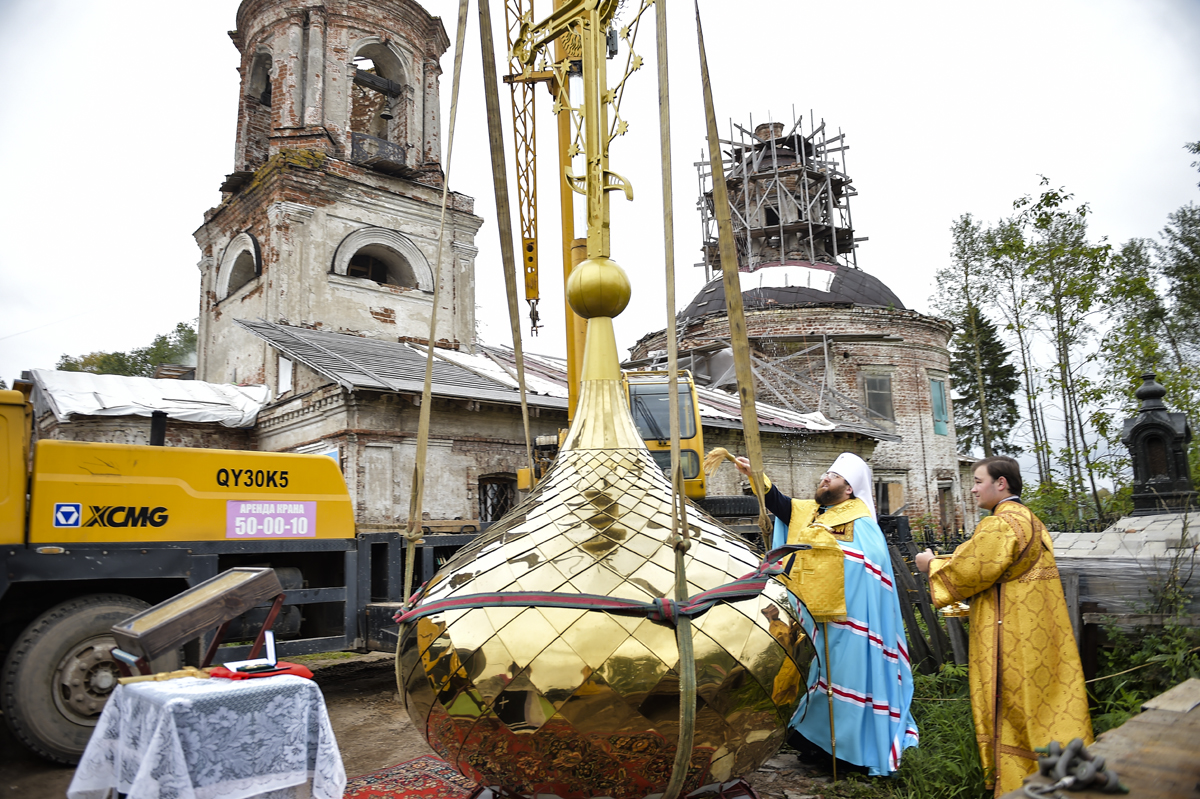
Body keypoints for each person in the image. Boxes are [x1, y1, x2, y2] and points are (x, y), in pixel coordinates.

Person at [916, 457, 1092, 797]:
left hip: (1010, 636)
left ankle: (1018, 785)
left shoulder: (999, 524)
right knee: (1045, 709)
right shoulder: (1032, 520)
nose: (972, 487)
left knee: (1012, 708)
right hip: (1041, 633)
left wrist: (930, 564)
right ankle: (1061, 775)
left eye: (979, 480)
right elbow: (991, 566)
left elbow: (969, 572)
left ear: (1001, 484)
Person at [735, 453, 918, 777]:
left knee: (849, 681)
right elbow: (782, 505)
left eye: (832, 476)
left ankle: (851, 755)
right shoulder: (813, 512)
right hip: (817, 620)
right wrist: (755, 474)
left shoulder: (861, 523)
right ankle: (817, 747)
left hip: (855, 626)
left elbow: (867, 570)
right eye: (826, 473)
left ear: (849, 488)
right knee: (816, 679)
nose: (824, 478)